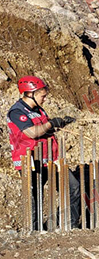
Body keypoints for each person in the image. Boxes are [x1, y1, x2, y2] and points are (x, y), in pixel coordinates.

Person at [7, 76, 82, 229]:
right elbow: (32, 132)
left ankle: (69, 225)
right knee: (34, 197)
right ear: (30, 94)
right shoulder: (17, 112)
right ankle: (34, 230)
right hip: (31, 162)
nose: (45, 99)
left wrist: (59, 123)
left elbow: (44, 131)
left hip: (50, 159)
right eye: (43, 96)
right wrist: (50, 123)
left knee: (73, 187)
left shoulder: (39, 109)